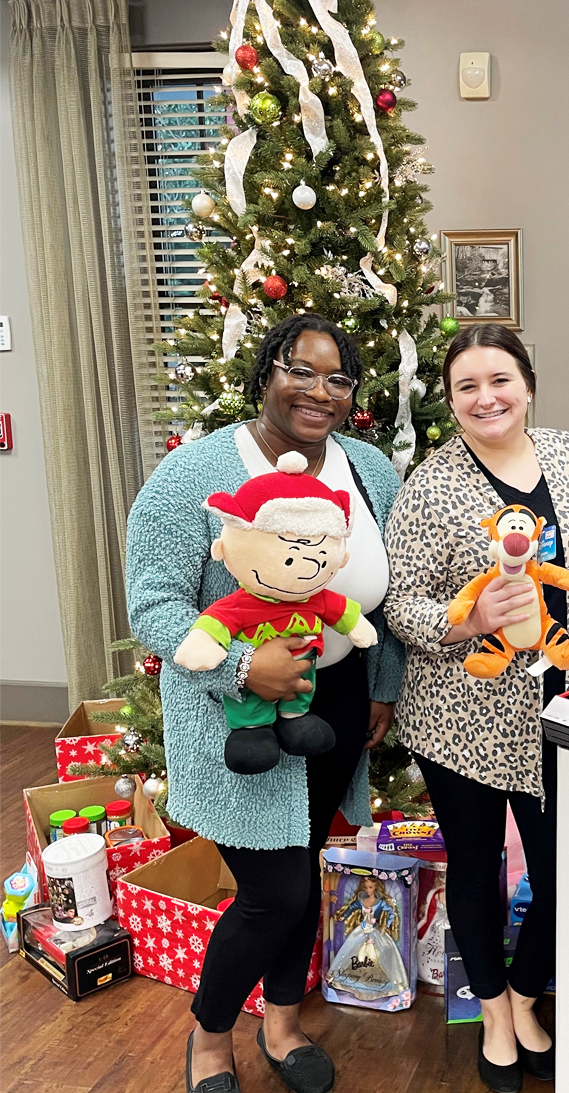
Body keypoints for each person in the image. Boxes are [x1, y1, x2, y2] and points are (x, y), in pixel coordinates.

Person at [126, 315, 404, 1093]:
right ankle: (211, 1041)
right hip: (236, 718)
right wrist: (247, 666)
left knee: (305, 866)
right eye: (301, 370)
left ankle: (283, 1025)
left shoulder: (370, 470)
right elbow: (152, 603)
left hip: (336, 708)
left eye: (338, 378)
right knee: (272, 892)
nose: (319, 391)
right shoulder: (198, 474)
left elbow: (384, 600)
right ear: (266, 373)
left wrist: (381, 688)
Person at [383, 324, 569, 1092]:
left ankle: (528, 996)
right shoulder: (431, 486)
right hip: (461, 718)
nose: (486, 397)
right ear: (451, 401)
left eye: (500, 380)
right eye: (467, 386)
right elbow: (400, 604)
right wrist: (468, 622)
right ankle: (494, 1012)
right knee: (476, 865)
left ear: (527, 384)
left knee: (564, 867)